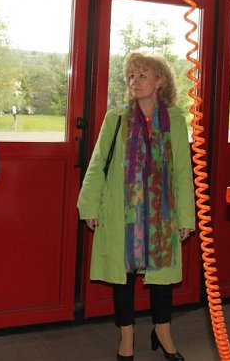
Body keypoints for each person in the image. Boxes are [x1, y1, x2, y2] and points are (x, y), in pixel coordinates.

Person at [77, 51, 195, 361]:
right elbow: (97, 163)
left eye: (143, 75)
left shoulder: (177, 120)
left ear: (160, 81)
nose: (135, 81)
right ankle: (126, 336)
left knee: (163, 278)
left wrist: (186, 217)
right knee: (123, 276)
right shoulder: (116, 117)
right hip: (121, 210)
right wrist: (90, 206)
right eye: (132, 76)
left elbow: (183, 171)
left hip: (162, 212)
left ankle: (163, 332)